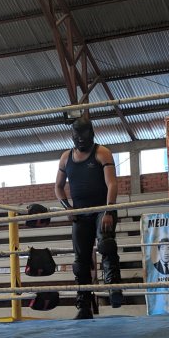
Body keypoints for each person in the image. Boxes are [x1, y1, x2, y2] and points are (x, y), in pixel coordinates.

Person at [54, 116, 122, 319]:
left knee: (106, 245)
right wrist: (67, 208)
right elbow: (58, 186)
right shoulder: (65, 157)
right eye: (77, 136)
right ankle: (83, 305)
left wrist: (108, 211)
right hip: (80, 213)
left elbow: (112, 183)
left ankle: (114, 288)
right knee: (80, 262)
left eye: (83, 136)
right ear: (72, 136)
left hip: (102, 209)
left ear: (91, 134)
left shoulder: (102, 152)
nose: (80, 140)